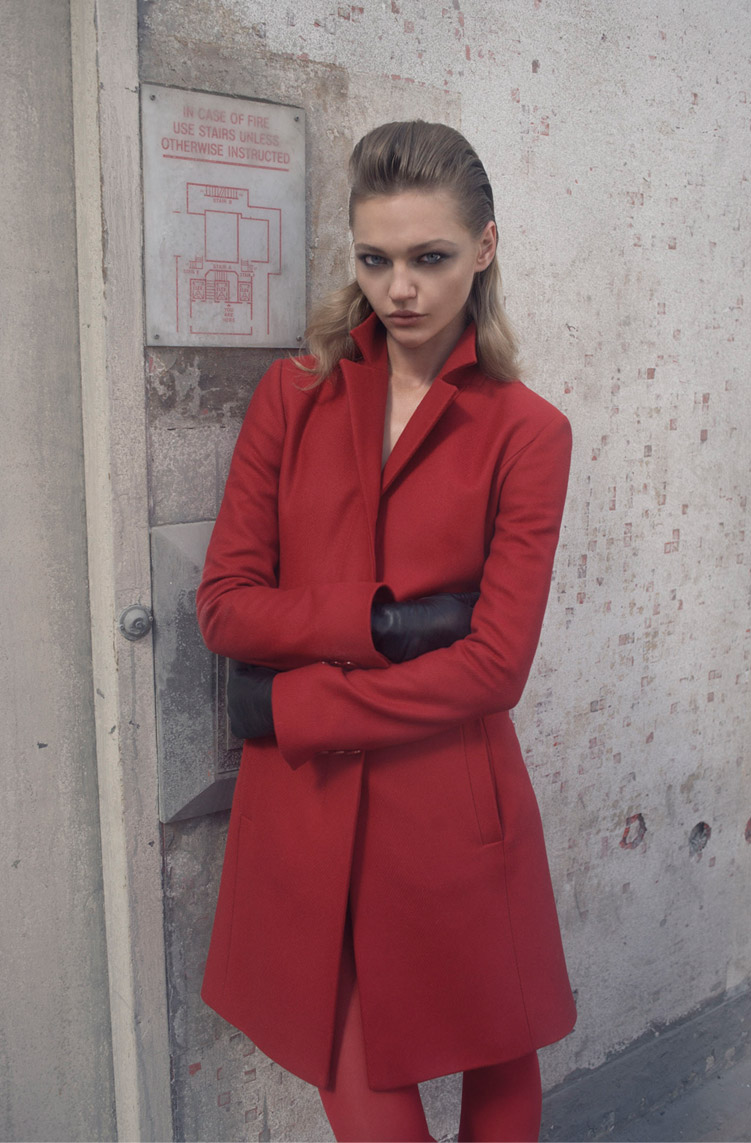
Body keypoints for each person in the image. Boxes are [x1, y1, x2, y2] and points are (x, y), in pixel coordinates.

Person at [196, 120, 576, 1143]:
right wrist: (385, 621)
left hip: (449, 801)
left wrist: (303, 700)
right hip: (307, 812)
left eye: (429, 258)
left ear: (484, 248)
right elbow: (225, 603)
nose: (398, 289)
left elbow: (494, 666)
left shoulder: (528, 431)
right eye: (374, 259)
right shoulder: (292, 396)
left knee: (499, 1053)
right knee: (360, 1086)